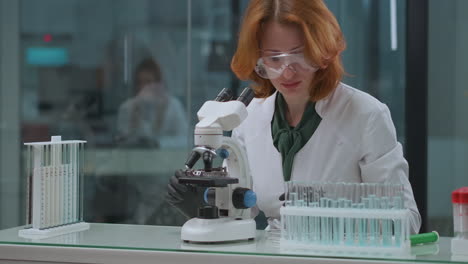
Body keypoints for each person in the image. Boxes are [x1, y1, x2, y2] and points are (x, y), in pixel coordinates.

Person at [166, 0, 421, 234]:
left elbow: (407, 221)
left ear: (322, 50)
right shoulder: (249, 117)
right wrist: (205, 208)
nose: (287, 72)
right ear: (258, 60)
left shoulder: (366, 115)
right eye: (274, 59)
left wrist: (332, 218)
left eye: (299, 54)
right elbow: (240, 214)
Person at [117, 58, 188, 148]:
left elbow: (185, 139)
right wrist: (135, 113)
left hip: (167, 159)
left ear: (158, 83)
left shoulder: (173, 106)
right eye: (140, 82)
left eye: (148, 82)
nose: (143, 87)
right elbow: (122, 140)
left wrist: (158, 144)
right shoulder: (127, 107)